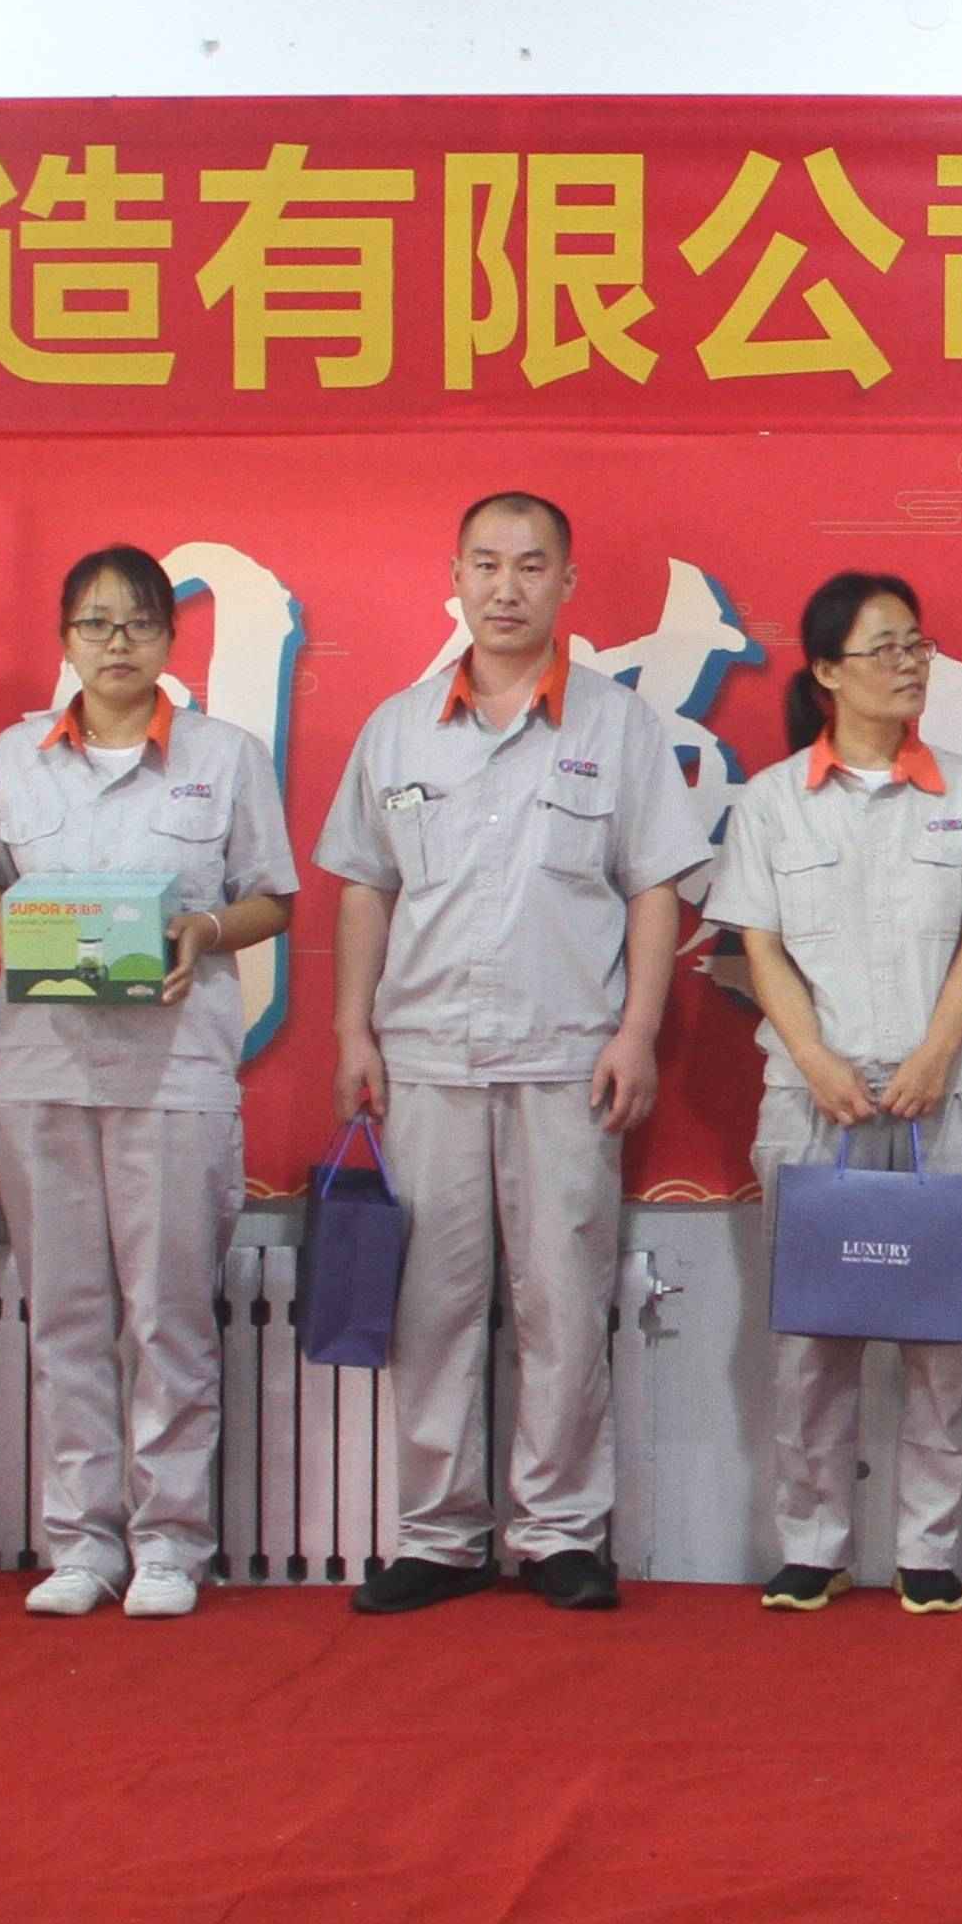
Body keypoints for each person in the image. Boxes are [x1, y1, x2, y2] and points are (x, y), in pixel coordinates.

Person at [316, 491, 707, 1616]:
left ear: (566, 583)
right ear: (453, 577)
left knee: (562, 1296)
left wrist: (637, 1032)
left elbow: (655, 887)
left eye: (530, 566)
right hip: (426, 1053)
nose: (505, 587)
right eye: (484, 564)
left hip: (567, 1055)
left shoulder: (617, 728)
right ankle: (438, 1535)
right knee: (431, 1303)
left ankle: (559, 1531)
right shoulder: (398, 727)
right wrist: (352, 1028)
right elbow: (364, 887)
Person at [0, 547, 300, 1624]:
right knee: (64, 1312)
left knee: (167, 1316)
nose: (117, 643)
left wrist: (201, 929)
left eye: (139, 623)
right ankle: (81, 1542)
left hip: (174, 1068)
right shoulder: (15, 756)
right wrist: (17, 927)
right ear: (64, 638)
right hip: (43, 1066)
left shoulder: (225, 755)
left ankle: (169, 1541)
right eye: (95, 624)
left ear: (170, 636)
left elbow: (272, 898)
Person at [706, 572, 962, 1615]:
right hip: (814, 1096)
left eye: (916, 645)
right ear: (825, 672)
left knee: (946, 1328)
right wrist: (813, 1058)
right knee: (811, 1334)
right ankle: (813, 1542)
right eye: (884, 649)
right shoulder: (772, 801)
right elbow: (757, 944)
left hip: (949, 1092)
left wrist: (937, 1053)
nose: (909, 666)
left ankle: (926, 1546)